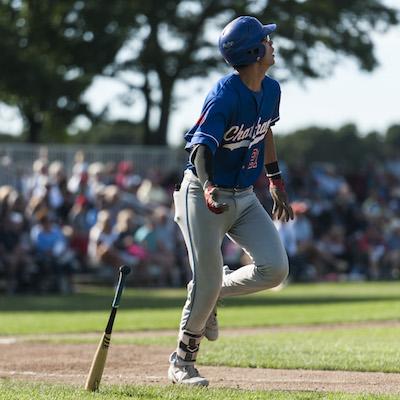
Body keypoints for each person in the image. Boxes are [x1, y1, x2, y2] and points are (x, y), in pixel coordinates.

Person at [168, 16, 294, 386]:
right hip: (202, 195)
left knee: (275, 269)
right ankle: (181, 363)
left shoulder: (271, 90)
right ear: (256, 52)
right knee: (205, 282)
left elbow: (265, 130)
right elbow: (200, 149)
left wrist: (275, 179)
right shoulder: (224, 94)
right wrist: (207, 187)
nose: (272, 44)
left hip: (244, 196)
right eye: (266, 41)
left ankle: (210, 291)